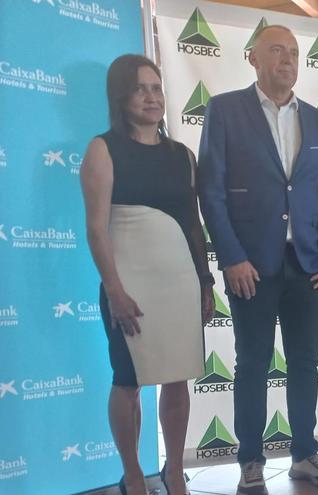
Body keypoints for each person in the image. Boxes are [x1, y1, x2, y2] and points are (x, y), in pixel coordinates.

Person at [197, 25, 318, 494]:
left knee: (305, 362)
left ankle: (304, 454)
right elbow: (211, 191)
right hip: (251, 266)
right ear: (253, 58)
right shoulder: (223, 110)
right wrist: (232, 258)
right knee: (252, 363)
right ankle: (250, 461)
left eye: (294, 52)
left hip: (307, 264)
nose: (287, 58)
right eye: (276, 50)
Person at [81, 54, 212, 495]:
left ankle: (174, 470)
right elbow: (97, 229)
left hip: (180, 284)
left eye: (156, 88)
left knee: (178, 378)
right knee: (127, 382)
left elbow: (193, 224)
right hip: (129, 288)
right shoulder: (102, 149)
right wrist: (114, 291)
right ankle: (133, 473)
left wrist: (206, 283)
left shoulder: (182, 156)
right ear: (121, 96)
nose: (152, 97)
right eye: (141, 89)